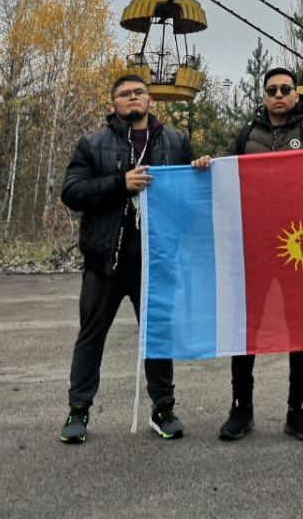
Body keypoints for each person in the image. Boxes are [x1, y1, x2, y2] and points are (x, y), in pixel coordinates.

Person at [194, 66, 303, 443]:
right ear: (262, 95)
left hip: (299, 246)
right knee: (247, 327)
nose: (278, 95)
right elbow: (221, 173)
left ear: (295, 94)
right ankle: (241, 407)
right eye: (271, 89)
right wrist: (206, 164)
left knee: (299, 325)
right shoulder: (245, 134)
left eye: (285, 89)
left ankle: (298, 409)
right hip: (253, 245)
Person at [58, 74, 194, 444]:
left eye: (139, 92)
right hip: (107, 260)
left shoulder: (175, 142)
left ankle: (163, 409)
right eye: (124, 94)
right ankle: (78, 411)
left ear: (150, 100)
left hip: (155, 259)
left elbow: (190, 193)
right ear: (113, 104)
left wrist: (202, 168)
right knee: (91, 335)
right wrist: (121, 183)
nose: (133, 97)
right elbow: (72, 192)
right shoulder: (92, 144)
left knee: (157, 337)